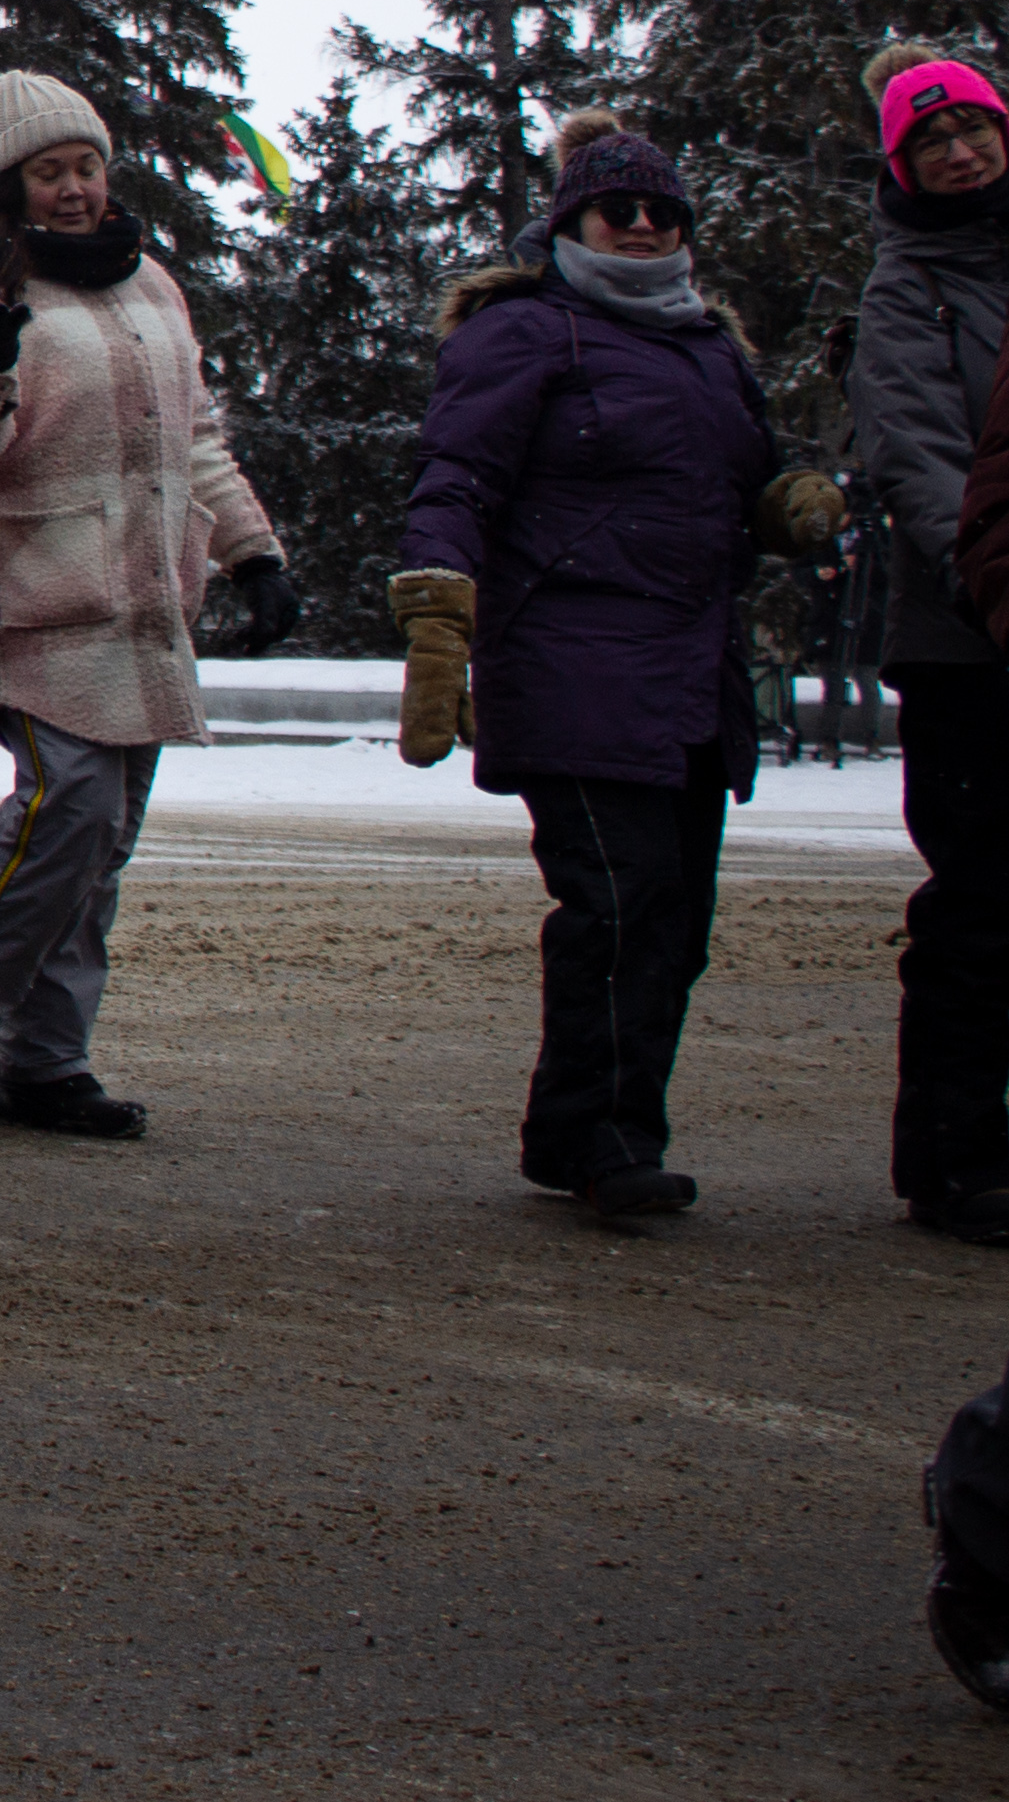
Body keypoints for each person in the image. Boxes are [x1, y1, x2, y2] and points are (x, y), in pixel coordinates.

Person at [398, 111, 831, 1225]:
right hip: (572, 659)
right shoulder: (527, 331)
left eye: (661, 211)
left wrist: (788, 507)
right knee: (616, 900)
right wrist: (438, 606)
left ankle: (591, 1126)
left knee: (675, 917)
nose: (640, 226)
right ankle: (603, 1137)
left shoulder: (708, 345)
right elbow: (455, 474)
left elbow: (744, 484)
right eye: (615, 209)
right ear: (569, 223)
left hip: (689, 671)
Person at [0, 70, 294, 1137]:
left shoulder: (149, 284)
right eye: (47, 171)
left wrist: (253, 550)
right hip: (45, 592)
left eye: (85, 165)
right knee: (61, 814)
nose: (72, 189)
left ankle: (48, 1056)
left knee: (104, 833)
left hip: (147, 599)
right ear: (7, 186)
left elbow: (195, 434)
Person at [867, 48, 1009, 1241]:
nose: (957, 151)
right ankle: (952, 1156)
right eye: (931, 140)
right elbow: (917, 452)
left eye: (972, 130)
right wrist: (989, 576)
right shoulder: (907, 286)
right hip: (966, 636)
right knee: (976, 900)